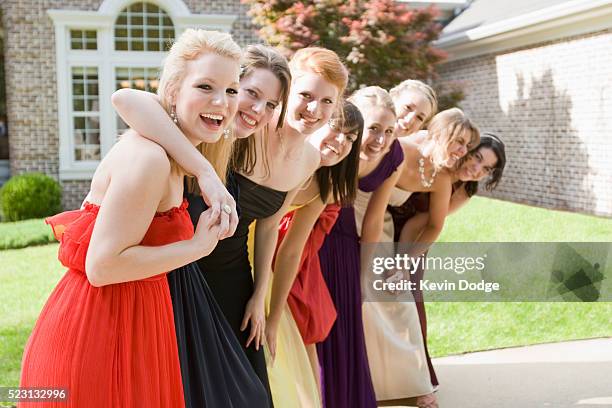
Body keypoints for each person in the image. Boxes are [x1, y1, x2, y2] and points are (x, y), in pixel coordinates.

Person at [113, 45, 348, 406]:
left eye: (327, 101)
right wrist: (205, 170)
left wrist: (259, 296)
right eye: (305, 95)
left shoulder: (306, 157)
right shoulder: (236, 130)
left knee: (249, 389)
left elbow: (270, 224)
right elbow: (128, 99)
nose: (313, 108)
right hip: (183, 266)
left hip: (235, 274)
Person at [19, 29, 241, 407]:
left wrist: (202, 169)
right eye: (205, 86)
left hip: (135, 326)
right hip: (100, 335)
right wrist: (196, 247)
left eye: (232, 89)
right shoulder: (150, 159)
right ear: (172, 92)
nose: (221, 101)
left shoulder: (175, 155)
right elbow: (103, 266)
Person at [266, 101, 364, 406]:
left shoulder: (325, 185)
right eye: (336, 128)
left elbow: (292, 250)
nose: (341, 141)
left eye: (350, 138)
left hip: (271, 267)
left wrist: (274, 312)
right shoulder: (280, 156)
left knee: (282, 345)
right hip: (238, 251)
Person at [312, 86, 402, 408]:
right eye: (373, 129)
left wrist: (363, 279)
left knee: (347, 324)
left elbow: (375, 221)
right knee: (317, 326)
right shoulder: (333, 143)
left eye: (389, 131)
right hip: (312, 237)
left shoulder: (393, 155)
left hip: (347, 242)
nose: (380, 140)